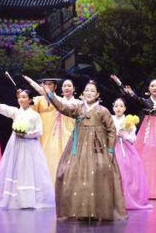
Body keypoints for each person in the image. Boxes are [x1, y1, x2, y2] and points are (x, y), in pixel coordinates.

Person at [42, 80, 127, 221]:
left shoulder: (102, 111)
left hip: (98, 148)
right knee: (72, 173)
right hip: (79, 147)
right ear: (82, 93)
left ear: (98, 94)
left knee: (97, 175)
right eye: (87, 90)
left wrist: (110, 150)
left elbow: (112, 130)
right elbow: (62, 107)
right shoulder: (78, 108)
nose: (89, 93)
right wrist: (50, 95)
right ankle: (81, 211)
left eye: (92, 91)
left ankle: (96, 211)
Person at [111, 75, 156, 199]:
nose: (155, 88)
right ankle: (147, 189)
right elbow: (130, 95)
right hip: (147, 130)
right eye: (152, 86)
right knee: (145, 158)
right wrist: (119, 83)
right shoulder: (145, 102)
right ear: (149, 89)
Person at [0, 89, 55, 209]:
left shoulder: (35, 115)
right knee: (16, 169)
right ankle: (15, 200)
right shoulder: (16, 112)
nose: (21, 99)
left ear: (30, 100)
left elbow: (39, 131)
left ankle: (29, 200)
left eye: (24, 97)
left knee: (28, 170)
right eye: (20, 97)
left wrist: (26, 135)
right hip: (16, 145)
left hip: (30, 147)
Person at [24, 76, 80, 185]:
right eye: (65, 86)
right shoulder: (58, 100)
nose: (66, 88)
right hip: (56, 133)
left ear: (73, 88)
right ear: (61, 88)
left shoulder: (78, 103)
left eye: (69, 86)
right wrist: (31, 84)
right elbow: (44, 96)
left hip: (71, 133)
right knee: (54, 159)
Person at [111, 98, 152, 210]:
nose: (118, 108)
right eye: (116, 106)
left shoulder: (129, 121)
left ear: (125, 108)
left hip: (125, 150)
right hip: (112, 148)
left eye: (121, 106)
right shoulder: (110, 119)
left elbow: (133, 139)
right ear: (113, 108)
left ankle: (126, 199)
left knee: (126, 173)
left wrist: (124, 136)